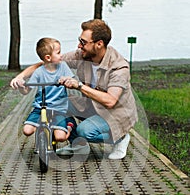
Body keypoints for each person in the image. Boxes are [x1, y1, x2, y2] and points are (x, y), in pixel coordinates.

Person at [10, 20, 138, 159]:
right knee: (59, 102)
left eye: (83, 42)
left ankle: (120, 138)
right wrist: (20, 77)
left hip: (114, 113)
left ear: (99, 44)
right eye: (79, 40)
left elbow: (110, 101)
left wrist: (79, 85)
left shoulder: (119, 67)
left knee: (85, 131)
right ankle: (77, 144)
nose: (79, 45)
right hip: (93, 104)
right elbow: (46, 62)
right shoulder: (83, 55)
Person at [16, 37, 75, 142]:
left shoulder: (63, 67)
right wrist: (21, 86)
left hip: (59, 108)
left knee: (61, 137)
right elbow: (26, 91)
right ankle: (43, 132)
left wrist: (66, 79)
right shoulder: (39, 72)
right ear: (48, 57)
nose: (61, 55)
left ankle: (69, 125)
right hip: (40, 108)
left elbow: (71, 79)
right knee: (27, 130)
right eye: (58, 53)